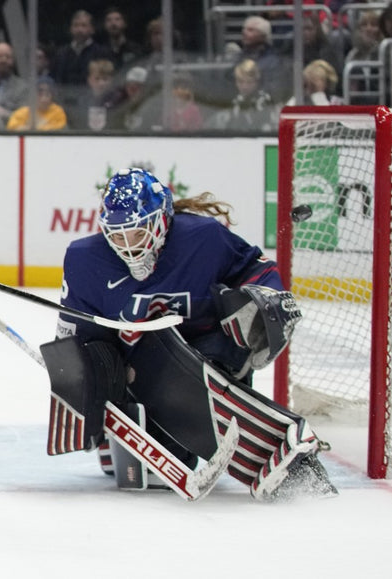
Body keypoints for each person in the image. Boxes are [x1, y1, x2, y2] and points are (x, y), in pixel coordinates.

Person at [46, 167, 337, 501]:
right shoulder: (85, 260)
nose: (128, 246)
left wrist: (265, 301)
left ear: (161, 221)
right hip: (139, 374)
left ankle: (282, 450)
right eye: (118, 234)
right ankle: (125, 438)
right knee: (150, 474)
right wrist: (92, 396)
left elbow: (257, 270)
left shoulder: (204, 239)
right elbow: (76, 343)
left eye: (137, 232)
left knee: (196, 374)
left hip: (212, 356)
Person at [50, 10, 112, 111]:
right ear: (71, 29)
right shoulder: (61, 53)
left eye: (84, 25)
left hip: (94, 105)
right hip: (65, 106)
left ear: (92, 29)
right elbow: (55, 80)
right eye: (76, 25)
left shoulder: (102, 53)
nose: (79, 29)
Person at [212, 58, 278, 133]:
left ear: (257, 82)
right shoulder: (232, 102)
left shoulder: (267, 102)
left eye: (249, 82)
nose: (245, 86)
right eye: (240, 81)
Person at [0, 41, 30, 130]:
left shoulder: (22, 88)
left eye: (8, 57)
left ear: (13, 61)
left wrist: (5, 114)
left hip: (8, 134)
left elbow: (25, 118)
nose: (4, 60)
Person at [67, 58, 119, 131]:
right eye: (97, 79)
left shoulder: (118, 99)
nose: (101, 83)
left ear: (111, 80)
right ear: (89, 80)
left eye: (105, 79)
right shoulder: (82, 100)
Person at [344, 10, 382, 105]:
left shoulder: (383, 52)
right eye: (364, 25)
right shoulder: (352, 55)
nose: (368, 29)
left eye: (373, 25)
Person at [98, 6, 142, 71]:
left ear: (125, 23)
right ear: (105, 25)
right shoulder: (99, 52)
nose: (113, 23)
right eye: (109, 20)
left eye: (117, 19)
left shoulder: (136, 50)